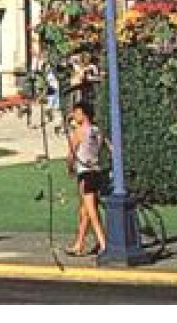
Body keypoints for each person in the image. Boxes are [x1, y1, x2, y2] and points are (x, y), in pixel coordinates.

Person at [65, 103, 107, 256]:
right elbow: (103, 148)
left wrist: (69, 168)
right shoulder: (97, 131)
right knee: (85, 211)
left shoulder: (79, 132)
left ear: (84, 114)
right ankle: (79, 244)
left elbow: (71, 154)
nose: (75, 116)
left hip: (85, 173)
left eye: (77, 112)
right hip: (96, 171)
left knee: (91, 211)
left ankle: (103, 243)